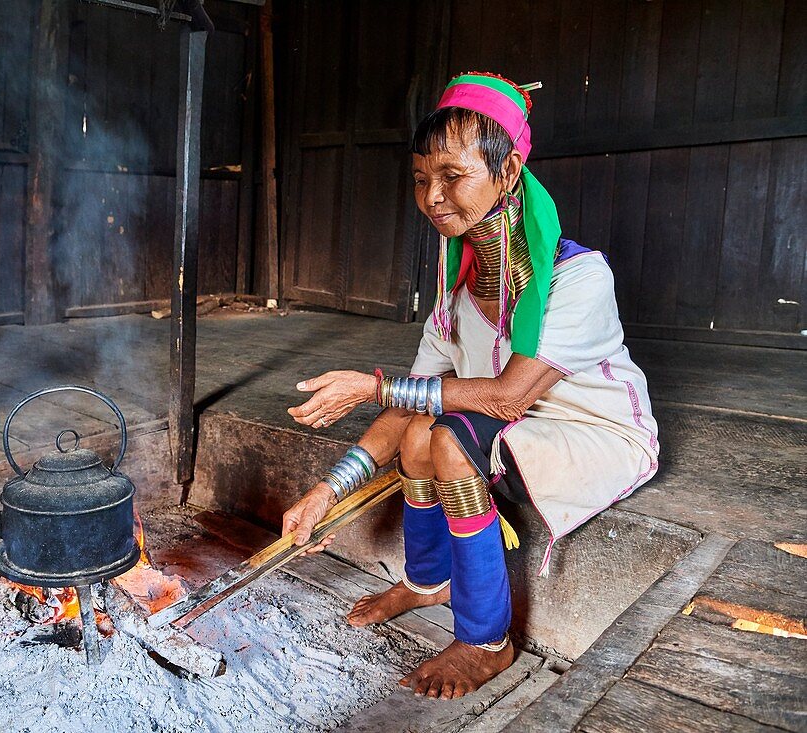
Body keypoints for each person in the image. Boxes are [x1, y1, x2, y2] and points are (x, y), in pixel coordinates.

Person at [280, 72, 660, 700]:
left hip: (594, 434)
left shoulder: (579, 278)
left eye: (453, 177)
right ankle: (428, 581)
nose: (432, 196)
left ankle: (487, 640)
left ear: (508, 172)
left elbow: (507, 396)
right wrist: (326, 491)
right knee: (422, 430)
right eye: (420, 179)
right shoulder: (456, 296)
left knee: (449, 440)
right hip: (515, 424)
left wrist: (373, 386)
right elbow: (412, 403)